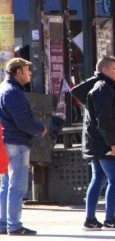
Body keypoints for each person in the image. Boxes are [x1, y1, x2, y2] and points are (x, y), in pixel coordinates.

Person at [72, 56, 115, 231]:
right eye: (114, 69)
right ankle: (110, 219)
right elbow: (104, 121)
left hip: (97, 143)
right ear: (104, 70)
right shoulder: (103, 89)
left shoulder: (100, 87)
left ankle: (90, 219)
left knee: (98, 179)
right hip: (104, 144)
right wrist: (113, 144)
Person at [0, 58, 47, 236]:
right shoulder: (13, 92)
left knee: (6, 185)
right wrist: (40, 128)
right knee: (17, 186)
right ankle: (14, 225)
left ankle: (4, 223)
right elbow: (23, 122)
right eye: (27, 70)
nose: (30, 73)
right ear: (18, 72)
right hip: (16, 143)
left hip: (5, 141)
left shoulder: (4, 89)